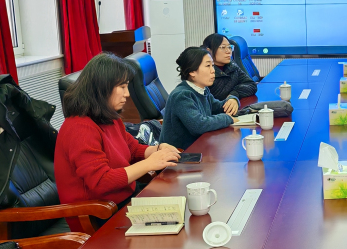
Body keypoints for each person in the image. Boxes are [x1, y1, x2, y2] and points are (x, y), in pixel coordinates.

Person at [55, 52, 180, 211]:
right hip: (100, 213)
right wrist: (149, 163)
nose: (127, 94)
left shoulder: (109, 117)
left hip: (124, 198)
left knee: (179, 195)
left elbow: (131, 149)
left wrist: (157, 150)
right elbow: (101, 182)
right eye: (122, 87)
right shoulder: (79, 128)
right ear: (102, 87)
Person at [160, 47, 235, 149]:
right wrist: (227, 118)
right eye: (208, 66)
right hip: (181, 153)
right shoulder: (182, 95)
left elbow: (217, 107)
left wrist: (233, 100)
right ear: (192, 71)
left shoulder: (202, 89)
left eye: (212, 65)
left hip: (200, 145)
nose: (213, 71)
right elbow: (199, 125)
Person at [201, 34, 257, 117]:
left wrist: (234, 95)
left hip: (231, 113)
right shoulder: (204, 72)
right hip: (214, 118)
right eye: (223, 47)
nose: (228, 51)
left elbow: (251, 84)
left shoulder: (231, 65)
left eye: (229, 47)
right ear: (209, 51)